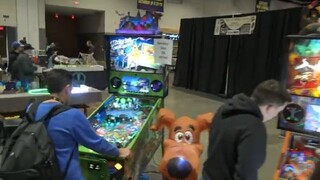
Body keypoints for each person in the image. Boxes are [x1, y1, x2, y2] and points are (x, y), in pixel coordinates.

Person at [33, 69, 130, 179]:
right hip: (66, 174)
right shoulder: (71, 115)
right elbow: (95, 142)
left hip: (39, 172)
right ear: (67, 88)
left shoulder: (32, 109)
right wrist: (118, 152)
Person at [202, 79, 292, 180]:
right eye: (277, 112)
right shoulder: (254, 128)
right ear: (269, 107)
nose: (275, 116)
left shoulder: (226, 108)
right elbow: (246, 172)